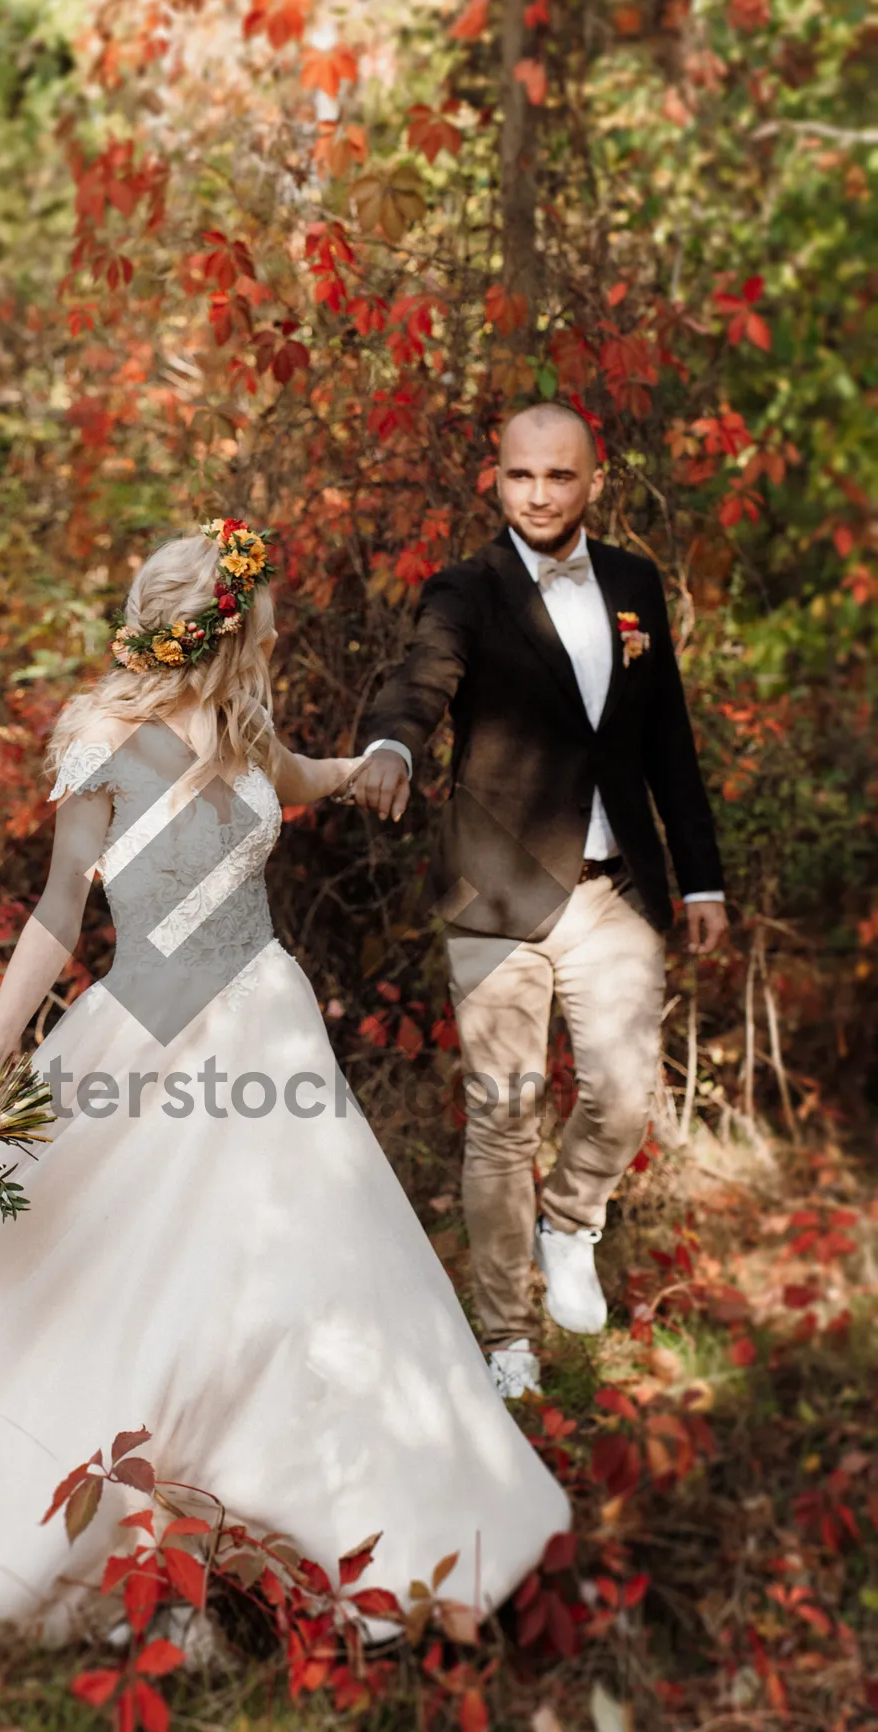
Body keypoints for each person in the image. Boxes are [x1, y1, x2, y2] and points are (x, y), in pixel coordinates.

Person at [0, 522, 570, 1642]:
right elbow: (60, 911)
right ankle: (150, 1518)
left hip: (267, 1028)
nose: (269, 638)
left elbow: (308, 779)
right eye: (257, 623)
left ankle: (340, 1513)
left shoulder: (246, 733)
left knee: (318, 1257)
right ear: (218, 626)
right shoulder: (101, 742)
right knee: (112, 1266)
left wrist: (376, 764)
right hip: (146, 1036)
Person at [352, 405, 728, 1401]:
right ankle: (506, 1332)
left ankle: (571, 1223)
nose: (540, 495)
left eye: (560, 478)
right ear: (498, 479)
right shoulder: (467, 590)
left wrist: (701, 876)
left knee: (623, 1094)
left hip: (615, 888)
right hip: (499, 890)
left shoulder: (637, 587)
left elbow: (668, 746)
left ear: (593, 481)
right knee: (503, 1115)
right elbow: (419, 681)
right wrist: (391, 744)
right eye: (522, 477)